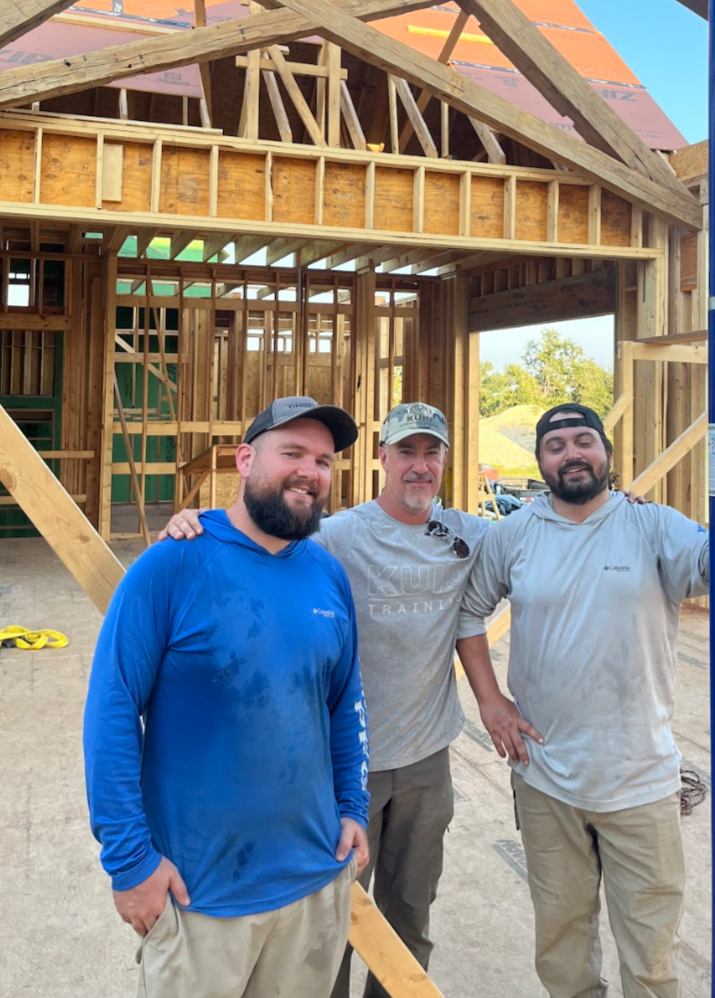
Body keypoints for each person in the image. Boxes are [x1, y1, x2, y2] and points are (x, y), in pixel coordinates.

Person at [160, 401, 531, 998]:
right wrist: (196, 522)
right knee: (327, 921)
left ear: (445, 460)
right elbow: (261, 531)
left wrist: (616, 508)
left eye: (431, 452)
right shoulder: (335, 537)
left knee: (410, 911)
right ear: (383, 458)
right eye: (405, 452)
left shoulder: (468, 535)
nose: (419, 465)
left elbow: (542, 536)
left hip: (426, 760)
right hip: (337, 769)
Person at [456, 403, 715, 998]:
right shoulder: (512, 534)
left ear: (606, 455)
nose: (571, 453)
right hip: (545, 777)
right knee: (562, 948)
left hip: (640, 779)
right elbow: (469, 611)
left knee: (650, 956)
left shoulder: (652, 525)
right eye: (556, 444)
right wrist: (490, 702)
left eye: (583, 440)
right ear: (540, 461)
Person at [84, 396, 370, 998]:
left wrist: (353, 807)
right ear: (244, 459)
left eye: (322, 460)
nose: (309, 471)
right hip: (202, 896)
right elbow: (110, 712)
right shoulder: (172, 565)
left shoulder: (327, 574)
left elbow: (344, 704)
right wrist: (129, 860)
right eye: (291, 452)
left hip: (313, 884)